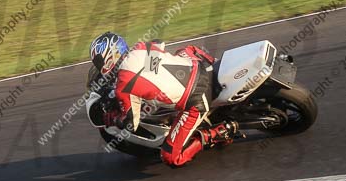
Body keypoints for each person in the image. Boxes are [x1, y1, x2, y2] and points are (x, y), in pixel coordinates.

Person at [89, 32, 238, 167]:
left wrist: (114, 119)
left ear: (109, 57)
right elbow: (158, 43)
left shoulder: (123, 86)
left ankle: (216, 133)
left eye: (99, 62)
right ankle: (218, 66)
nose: (99, 66)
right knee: (186, 50)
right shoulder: (140, 48)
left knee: (171, 158)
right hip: (198, 66)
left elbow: (131, 124)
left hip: (196, 98)